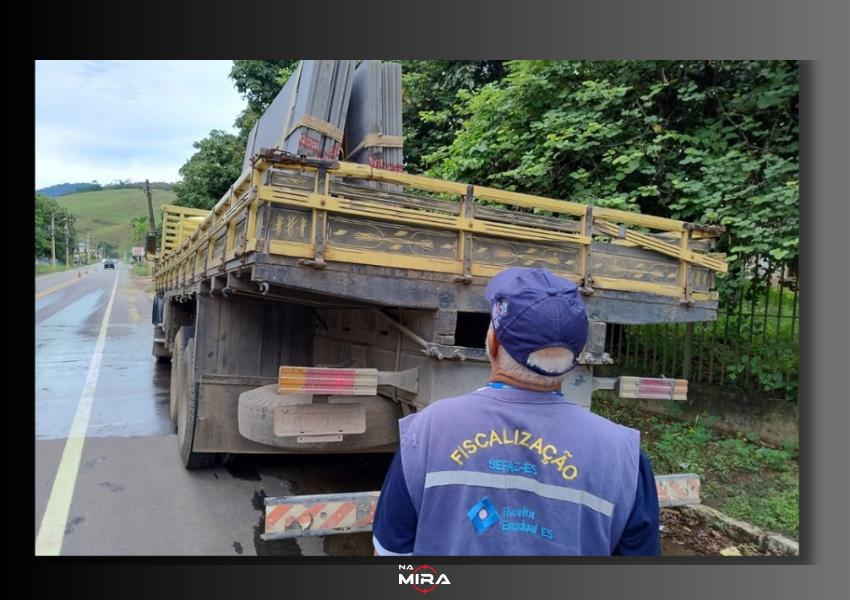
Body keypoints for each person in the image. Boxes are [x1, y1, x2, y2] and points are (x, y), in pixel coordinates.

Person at [372, 267, 660, 556]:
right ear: (581, 353)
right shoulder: (624, 458)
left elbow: (390, 553)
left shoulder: (426, 431)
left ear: (493, 343)